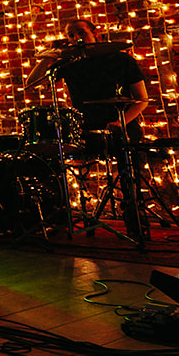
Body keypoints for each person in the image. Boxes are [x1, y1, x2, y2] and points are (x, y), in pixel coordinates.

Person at [58, 18, 150, 235]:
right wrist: (50, 57)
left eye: (80, 32)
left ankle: (135, 218)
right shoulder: (70, 65)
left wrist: (120, 123)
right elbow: (32, 81)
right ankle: (67, 213)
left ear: (94, 33)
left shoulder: (121, 60)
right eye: (70, 34)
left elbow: (142, 100)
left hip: (121, 126)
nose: (75, 38)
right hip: (85, 128)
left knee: (129, 168)